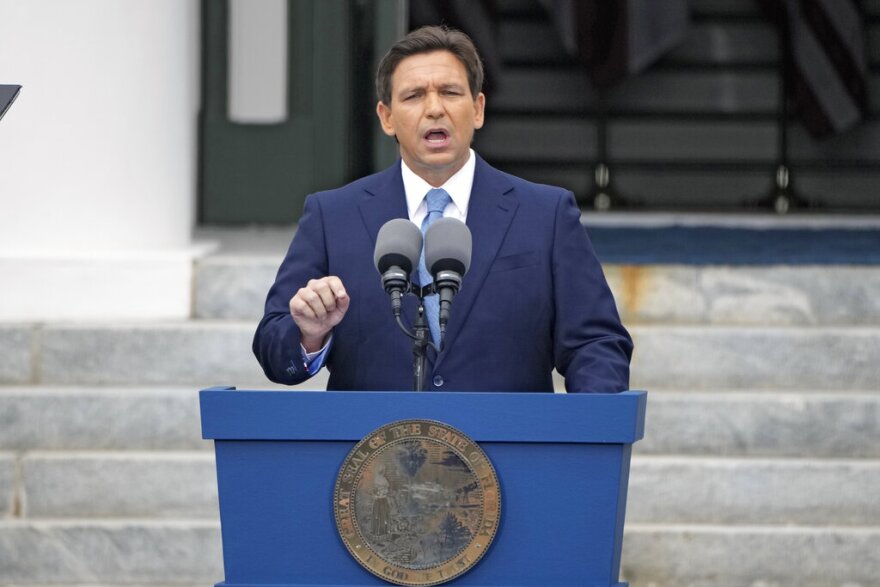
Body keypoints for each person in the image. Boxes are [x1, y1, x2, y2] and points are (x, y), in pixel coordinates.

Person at [253, 25, 632, 393]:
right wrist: (309, 333)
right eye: (414, 96)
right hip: (375, 452)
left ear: (478, 108)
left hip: (507, 451)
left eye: (450, 92)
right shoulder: (332, 216)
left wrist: (589, 432)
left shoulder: (546, 214)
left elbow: (596, 343)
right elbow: (273, 348)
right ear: (386, 117)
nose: (434, 109)